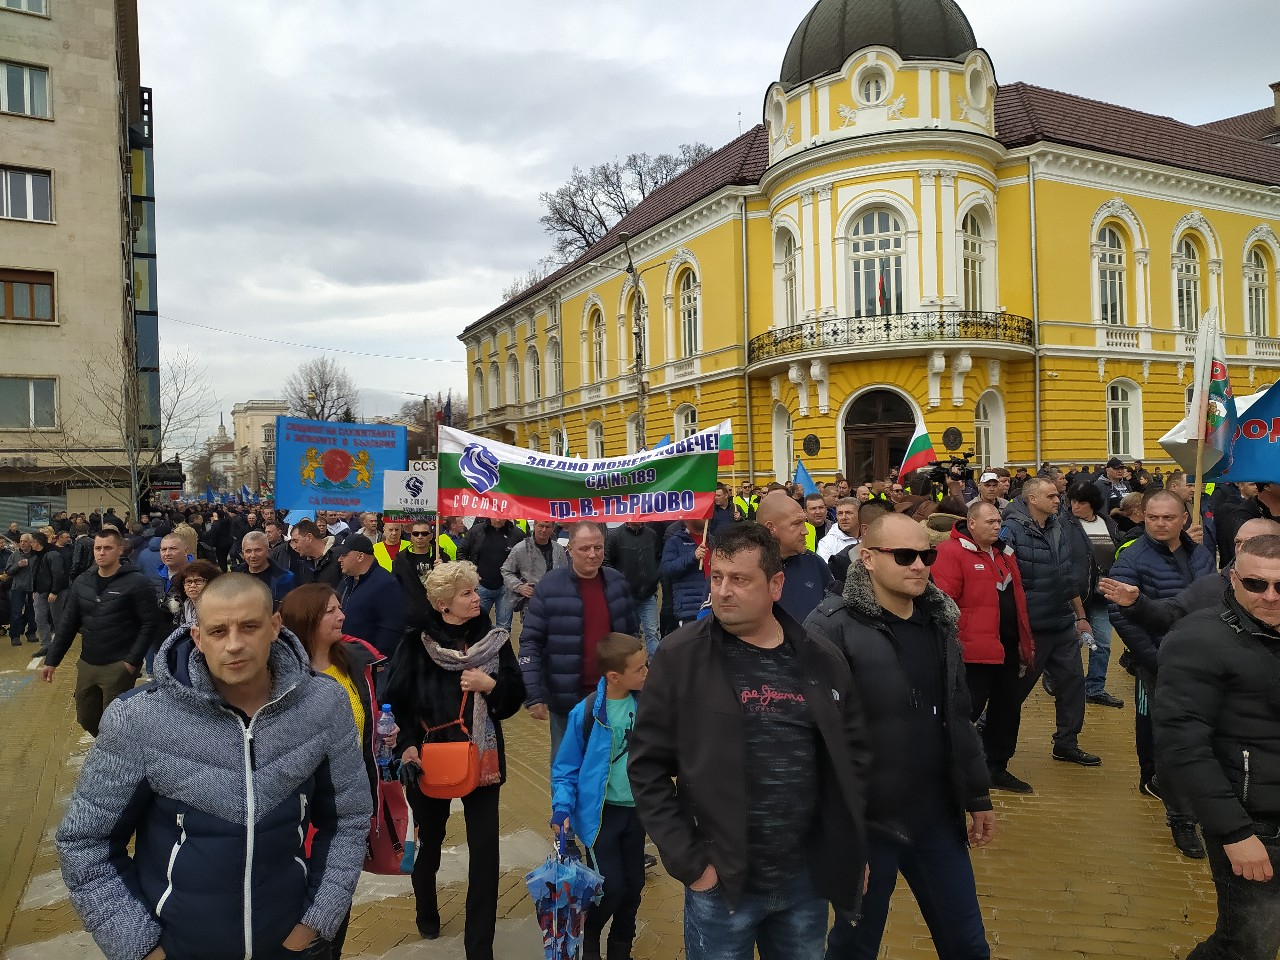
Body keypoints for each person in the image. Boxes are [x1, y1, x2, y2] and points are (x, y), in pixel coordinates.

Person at [55, 573, 372, 960]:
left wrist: (315, 922)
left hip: (289, 945)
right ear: (198, 637)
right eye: (218, 631)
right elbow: (86, 842)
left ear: (275, 627)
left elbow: (349, 819)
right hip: (179, 947)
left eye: (249, 627)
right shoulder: (140, 718)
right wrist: (138, 947)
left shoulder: (323, 704)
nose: (234, 644)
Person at [629, 522, 869, 960]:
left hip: (806, 880)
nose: (722, 591)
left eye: (739, 579)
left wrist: (853, 848)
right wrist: (691, 864)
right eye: (716, 577)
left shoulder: (822, 657)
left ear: (776, 584)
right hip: (722, 882)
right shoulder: (680, 656)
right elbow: (646, 768)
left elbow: (852, 761)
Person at [809, 512, 995, 958]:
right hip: (869, 824)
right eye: (905, 555)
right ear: (868, 559)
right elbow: (818, 741)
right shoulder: (829, 627)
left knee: (968, 945)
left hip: (936, 818)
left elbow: (958, 714)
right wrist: (839, 834)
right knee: (855, 946)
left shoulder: (939, 619)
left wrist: (977, 795)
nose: (919, 566)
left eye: (926, 555)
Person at [385, 561, 525, 958]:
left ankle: (479, 948)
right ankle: (426, 907)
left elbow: (514, 693)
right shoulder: (417, 642)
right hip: (430, 758)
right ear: (443, 604)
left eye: (475, 591)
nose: (476, 598)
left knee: (485, 856)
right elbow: (398, 701)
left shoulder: (494, 638)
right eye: (467, 593)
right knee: (431, 843)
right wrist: (406, 746)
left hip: (482, 758)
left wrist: (490, 685)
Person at [1153, 534, 1280, 960]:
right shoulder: (1198, 638)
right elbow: (1182, 743)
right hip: (1254, 823)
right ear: (1233, 578)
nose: (1271, 597)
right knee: (1246, 946)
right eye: (1256, 584)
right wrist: (1233, 831)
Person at [280, 583, 391, 960]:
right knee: (295, 908)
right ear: (306, 619)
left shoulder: (353, 664)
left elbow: (364, 726)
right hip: (295, 814)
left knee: (333, 905)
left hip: (344, 809)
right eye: (330, 610)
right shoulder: (281, 677)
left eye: (339, 608)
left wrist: (384, 735)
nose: (341, 616)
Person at [1107, 490, 1216, 858]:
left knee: (1201, 735)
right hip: (1159, 663)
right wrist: (1154, 658)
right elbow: (1122, 615)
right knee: (1163, 735)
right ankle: (1176, 812)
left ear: (1183, 519)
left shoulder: (1200, 554)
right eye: (1153, 517)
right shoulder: (1132, 557)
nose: (1159, 523)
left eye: (1167, 517)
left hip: (1203, 662)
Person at [551, 633, 648, 960]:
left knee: (633, 888)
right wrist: (562, 809)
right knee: (611, 889)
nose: (647, 672)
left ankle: (621, 951)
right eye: (640, 669)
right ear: (614, 676)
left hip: (637, 814)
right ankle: (589, 936)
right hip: (600, 817)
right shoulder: (589, 712)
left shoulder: (645, 703)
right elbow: (565, 767)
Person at [932, 501, 1037, 793]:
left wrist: (1024, 640)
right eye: (990, 521)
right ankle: (952, 771)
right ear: (972, 523)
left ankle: (996, 767)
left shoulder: (1004, 553)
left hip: (1007, 646)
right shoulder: (950, 553)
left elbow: (1017, 598)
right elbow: (943, 602)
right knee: (966, 712)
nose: (997, 525)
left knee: (1007, 711)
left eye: (998, 520)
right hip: (972, 650)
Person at [1002, 477, 1101, 766]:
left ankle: (1067, 743)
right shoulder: (1011, 531)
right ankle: (987, 738)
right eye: (1051, 496)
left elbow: (1067, 575)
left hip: (1062, 624)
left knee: (1072, 685)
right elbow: (1005, 582)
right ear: (1032, 499)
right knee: (1014, 692)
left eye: (1058, 496)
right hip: (1031, 628)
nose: (1058, 500)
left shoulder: (1058, 526)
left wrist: (1080, 617)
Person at [520, 521, 637, 763]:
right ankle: (565, 803)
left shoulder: (617, 582)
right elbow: (530, 642)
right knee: (566, 764)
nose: (593, 555)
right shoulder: (549, 586)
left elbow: (632, 637)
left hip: (612, 694)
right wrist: (534, 694)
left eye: (598, 548)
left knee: (612, 763)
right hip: (567, 699)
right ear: (569, 550)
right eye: (585, 549)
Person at [40, 529, 160, 737]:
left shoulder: (137, 583)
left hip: (119, 664)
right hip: (88, 662)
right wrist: (52, 660)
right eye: (98, 548)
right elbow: (67, 624)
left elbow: (150, 623)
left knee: (115, 720)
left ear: (119, 550)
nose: (101, 553)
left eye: (107, 548)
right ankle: (109, 747)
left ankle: (116, 758)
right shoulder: (82, 582)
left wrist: (131, 660)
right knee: (86, 717)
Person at [1100, 518, 1280, 633]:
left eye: (1253, 543)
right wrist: (1137, 604)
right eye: (1238, 542)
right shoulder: (1211, 587)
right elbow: (1171, 613)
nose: (1241, 549)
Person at [1064, 481, 1123, 708]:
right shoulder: (1066, 525)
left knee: (1103, 643)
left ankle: (1095, 688)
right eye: (1072, 501)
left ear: (1093, 504)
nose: (1075, 506)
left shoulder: (1108, 523)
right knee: (1072, 643)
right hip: (1075, 593)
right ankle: (1067, 684)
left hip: (1102, 593)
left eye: (1081, 502)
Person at [756, 491, 832, 624]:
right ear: (771, 528)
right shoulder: (749, 570)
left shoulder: (815, 563)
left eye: (804, 522)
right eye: (797, 524)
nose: (806, 531)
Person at [336, 534, 407, 657]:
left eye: (344, 555)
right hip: (345, 655)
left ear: (360, 556)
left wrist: (379, 658)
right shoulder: (346, 581)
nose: (339, 559)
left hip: (370, 661)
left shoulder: (386, 583)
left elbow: (392, 626)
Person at [604, 521, 662, 657]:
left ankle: (655, 671)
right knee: (629, 636)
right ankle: (633, 668)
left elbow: (658, 557)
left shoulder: (651, 534)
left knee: (652, 633)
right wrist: (619, 582)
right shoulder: (615, 536)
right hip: (626, 596)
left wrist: (655, 575)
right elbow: (606, 562)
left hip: (649, 594)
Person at [458, 517, 525, 630]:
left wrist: (518, 581)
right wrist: (470, 573)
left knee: (503, 628)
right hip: (480, 586)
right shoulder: (476, 531)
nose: (498, 520)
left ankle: (502, 648)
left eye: (502, 517)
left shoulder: (517, 534)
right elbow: (461, 552)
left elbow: (525, 559)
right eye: (496, 517)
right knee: (476, 625)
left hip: (506, 588)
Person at [500, 519, 567, 617]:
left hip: (555, 603)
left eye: (547, 527)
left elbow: (564, 573)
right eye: (541, 526)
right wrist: (519, 587)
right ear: (534, 526)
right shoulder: (521, 548)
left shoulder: (558, 549)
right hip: (531, 605)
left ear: (552, 529)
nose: (544, 530)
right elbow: (506, 571)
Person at [660, 517, 712, 629]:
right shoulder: (675, 542)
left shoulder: (711, 540)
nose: (705, 518)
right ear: (687, 519)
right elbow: (666, 569)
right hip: (690, 610)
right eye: (700, 515)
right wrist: (692, 556)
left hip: (713, 607)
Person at [29, 531, 66, 656]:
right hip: (40, 591)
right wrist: (34, 590)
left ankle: (60, 645)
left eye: (31, 542)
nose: (29, 544)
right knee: (39, 618)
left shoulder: (53, 554)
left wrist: (54, 591)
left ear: (37, 543)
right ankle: (46, 645)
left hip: (55, 592)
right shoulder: (37, 556)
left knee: (57, 620)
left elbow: (58, 574)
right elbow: (35, 575)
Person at [393, 519, 437, 624]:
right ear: (411, 536)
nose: (420, 537)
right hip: (410, 616)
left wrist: (443, 570)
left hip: (437, 615)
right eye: (416, 534)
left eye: (424, 533)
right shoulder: (401, 559)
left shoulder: (441, 556)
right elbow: (395, 586)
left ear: (430, 536)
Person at [235, 531, 295, 606]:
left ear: (268, 551)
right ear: (243, 554)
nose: (253, 555)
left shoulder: (285, 579)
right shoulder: (236, 576)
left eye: (258, 550)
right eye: (248, 551)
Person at [289, 518, 343, 587]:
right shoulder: (303, 564)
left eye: (296, 541)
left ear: (309, 537)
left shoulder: (339, 557)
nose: (294, 547)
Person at [6, 532, 38, 646]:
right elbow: (8, 571)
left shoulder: (36, 556)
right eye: (21, 541)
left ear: (31, 543)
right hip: (18, 587)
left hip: (33, 587)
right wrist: (17, 565)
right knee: (16, 612)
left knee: (32, 612)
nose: (22, 543)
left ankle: (31, 633)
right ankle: (14, 636)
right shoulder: (14, 555)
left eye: (25, 541)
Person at [817, 497, 860, 562]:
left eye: (848, 513)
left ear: (859, 514)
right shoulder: (827, 543)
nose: (844, 517)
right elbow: (824, 570)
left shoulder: (871, 536)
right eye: (840, 513)